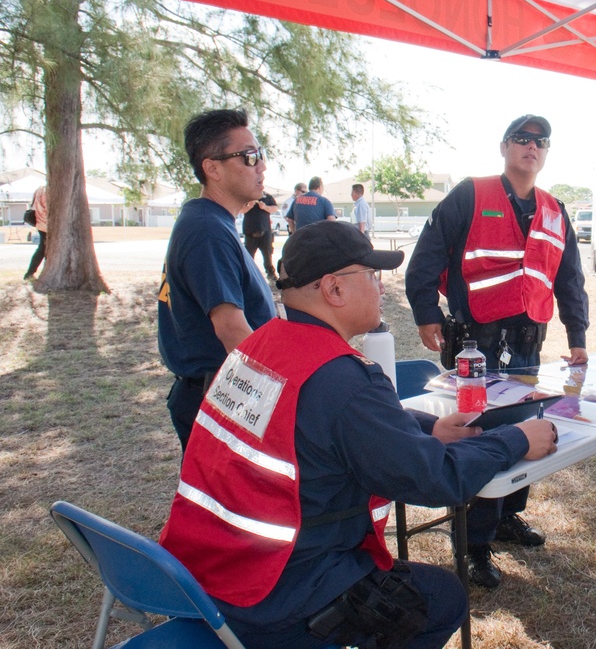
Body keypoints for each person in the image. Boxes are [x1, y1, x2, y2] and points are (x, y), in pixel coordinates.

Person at [159, 220, 558, 649]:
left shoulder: (255, 349)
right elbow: (433, 479)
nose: (382, 288)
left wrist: (427, 427)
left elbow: (319, 424)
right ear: (334, 289)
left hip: (202, 574)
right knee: (443, 599)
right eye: (372, 275)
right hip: (276, 596)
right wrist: (518, 438)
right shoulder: (342, 377)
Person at [405, 114, 589, 590]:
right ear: (505, 146)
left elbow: (569, 279)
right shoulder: (471, 193)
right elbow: (427, 255)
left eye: (540, 142)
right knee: (481, 436)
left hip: (528, 345)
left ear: (546, 153)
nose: (531, 147)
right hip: (476, 346)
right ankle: (475, 545)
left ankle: (508, 517)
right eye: (522, 139)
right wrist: (427, 313)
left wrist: (578, 337)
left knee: (525, 425)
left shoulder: (554, 209)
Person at [157, 109, 276, 452]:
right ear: (212, 168)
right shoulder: (207, 230)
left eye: (261, 155)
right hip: (224, 397)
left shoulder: (211, 223)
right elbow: (232, 330)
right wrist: (281, 395)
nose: (261, 166)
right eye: (249, 156)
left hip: (221, 392)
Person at [242, 191, 278, 282]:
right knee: (248, 256)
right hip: (250, 231)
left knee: (267, 254)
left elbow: (275, 208)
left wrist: (265, 207)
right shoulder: (246, 195)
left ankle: (271, 274)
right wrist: (249, 206)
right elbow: (240, 210)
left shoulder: (267, 196)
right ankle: (248, 276)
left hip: (265, 230)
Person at [23, 185, 48, 280]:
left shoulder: (39, 189)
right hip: (46, 223)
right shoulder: (49, 190)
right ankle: (30, 273)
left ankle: (31, 272)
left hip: (40, 222)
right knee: (43, 249)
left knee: (43, 248)